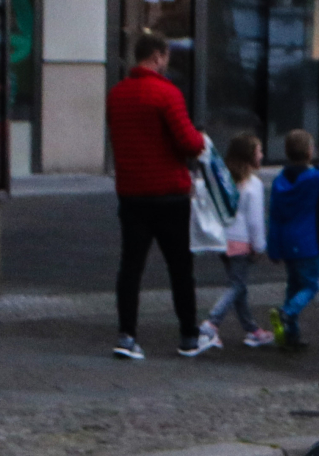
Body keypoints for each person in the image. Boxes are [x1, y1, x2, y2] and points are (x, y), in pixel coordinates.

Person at [107, 31, 213, 360]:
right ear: (157, 57)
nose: (167, 63)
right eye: (165, 57)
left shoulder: (117, 94)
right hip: (169, 193)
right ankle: (188, 336)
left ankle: (127, 336)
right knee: (180, 268)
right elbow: (189, 143)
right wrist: (201, 138)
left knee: (131, 266)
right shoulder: (166, 94)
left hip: (131, 193)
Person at [265, 130, 319, 350]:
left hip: (286, 243)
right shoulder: (314, 178)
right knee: (311, 285)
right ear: (309, 151)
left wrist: (273, 248)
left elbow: (274, 217)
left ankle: (291, 335)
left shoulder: (279, 181)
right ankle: (287, 313)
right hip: (307, 242)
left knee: (293, 286)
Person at [206, 131, 273, 348]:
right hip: (242, 242)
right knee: (236, 286)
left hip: (222, 240)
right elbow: (255, 221)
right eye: (259, 151)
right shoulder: (252, 185)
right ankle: (211, 323)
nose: (262, 155)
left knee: (240, 288)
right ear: (250, 156)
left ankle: (252, 329)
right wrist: (260, 246)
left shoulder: (225, 179)